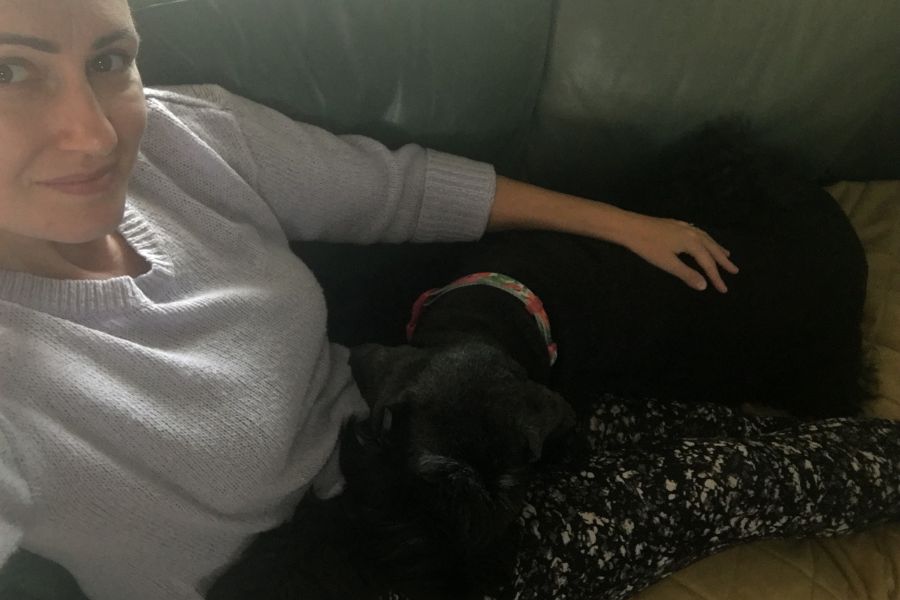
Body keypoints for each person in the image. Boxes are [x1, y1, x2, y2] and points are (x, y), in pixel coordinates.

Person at [0, 1, 894, 599]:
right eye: (12, 71)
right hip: (353, 572)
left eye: (109, 58)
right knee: (790, 475)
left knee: (701, 410)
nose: (91, 131)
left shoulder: (181, 132)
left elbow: (400, 189)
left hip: (409, 430)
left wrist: (624, 223)